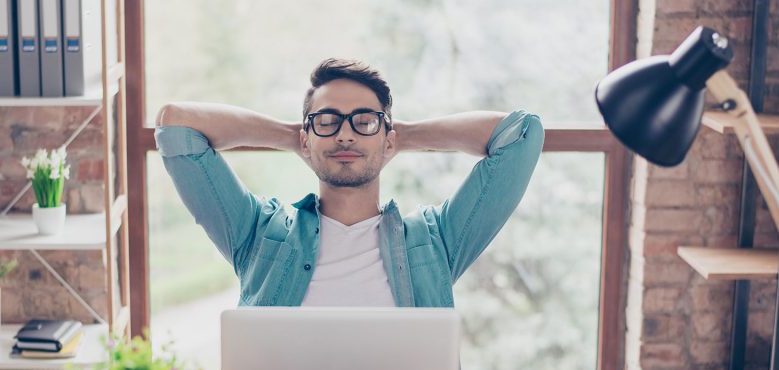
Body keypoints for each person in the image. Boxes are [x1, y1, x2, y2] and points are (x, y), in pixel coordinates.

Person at [154, 58, 544, 308]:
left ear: (388, 137)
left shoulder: (434, 241)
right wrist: (293, 137)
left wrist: (402, 136)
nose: (345, 135)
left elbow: (521, 133)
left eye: (364, 121)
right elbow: (176, 124)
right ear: (306, 138)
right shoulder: (257, 233)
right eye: (327, 121)